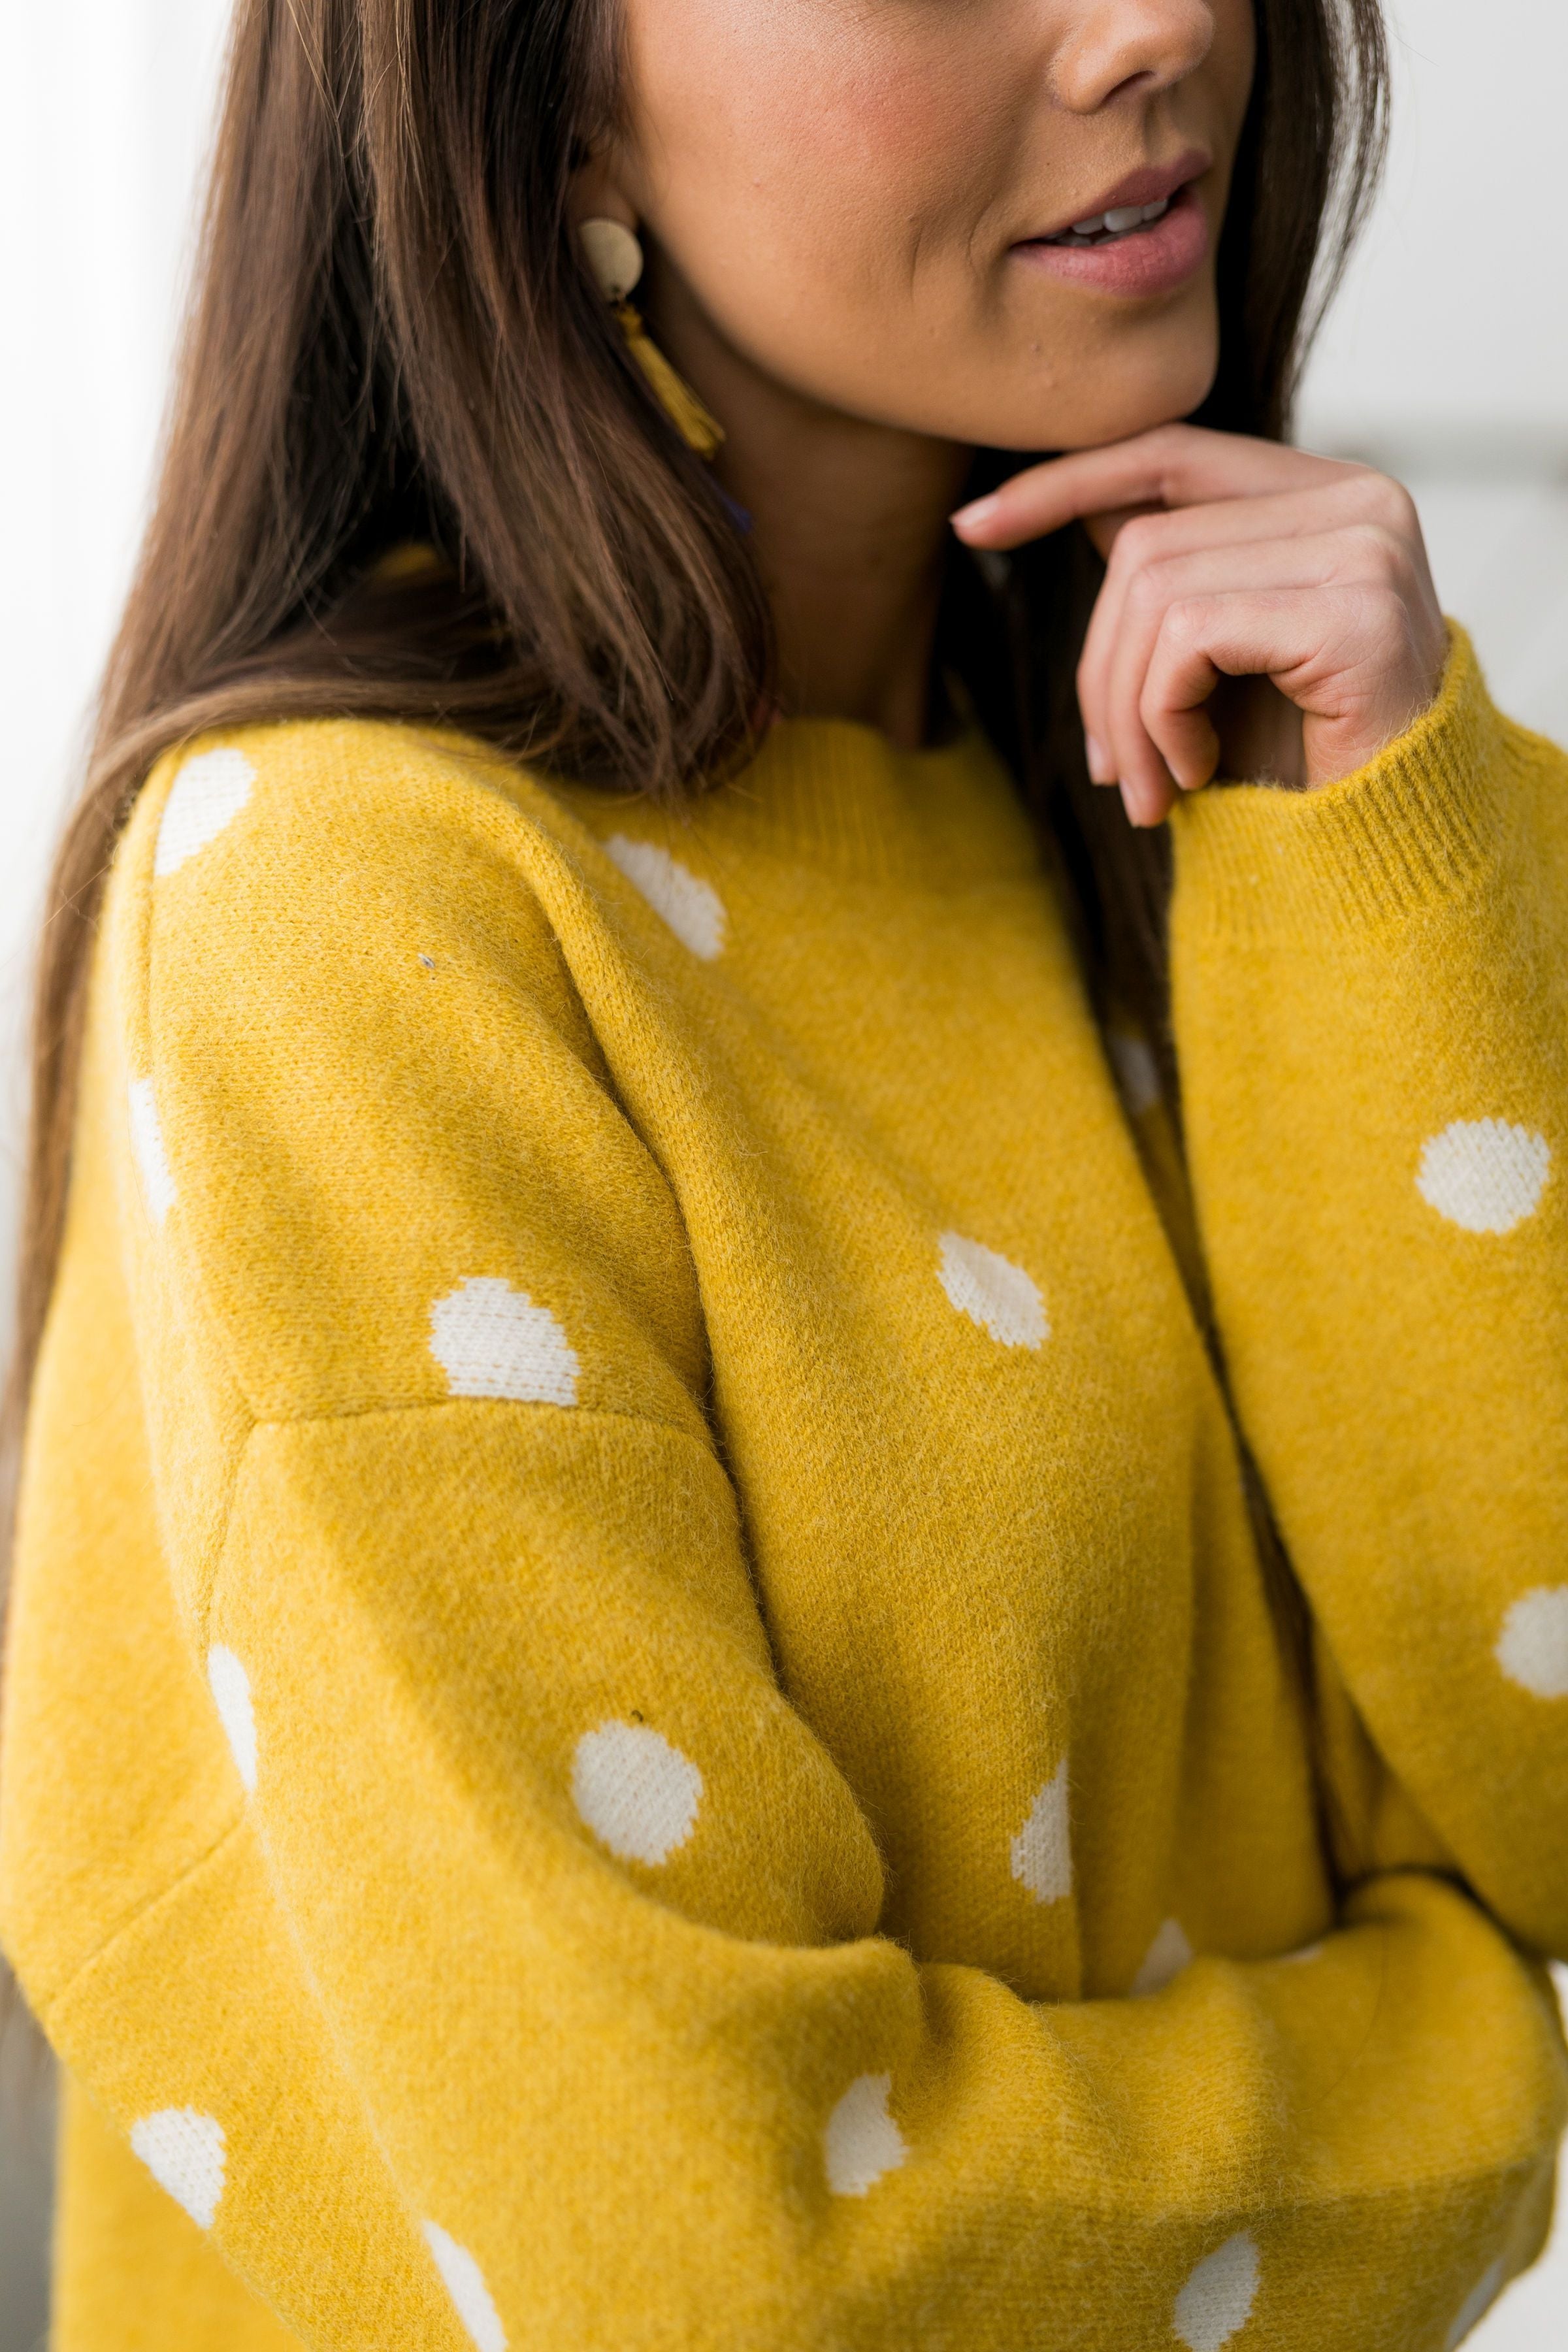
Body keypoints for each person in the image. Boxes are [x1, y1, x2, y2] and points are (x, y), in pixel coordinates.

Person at [1, 0, 1564, 2342]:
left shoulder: (1241, 802)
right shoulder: (348, 909)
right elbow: (722, 2269)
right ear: (546, 132)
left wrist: (1394, 867)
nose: (1151, 24)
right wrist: (1482, 2076)